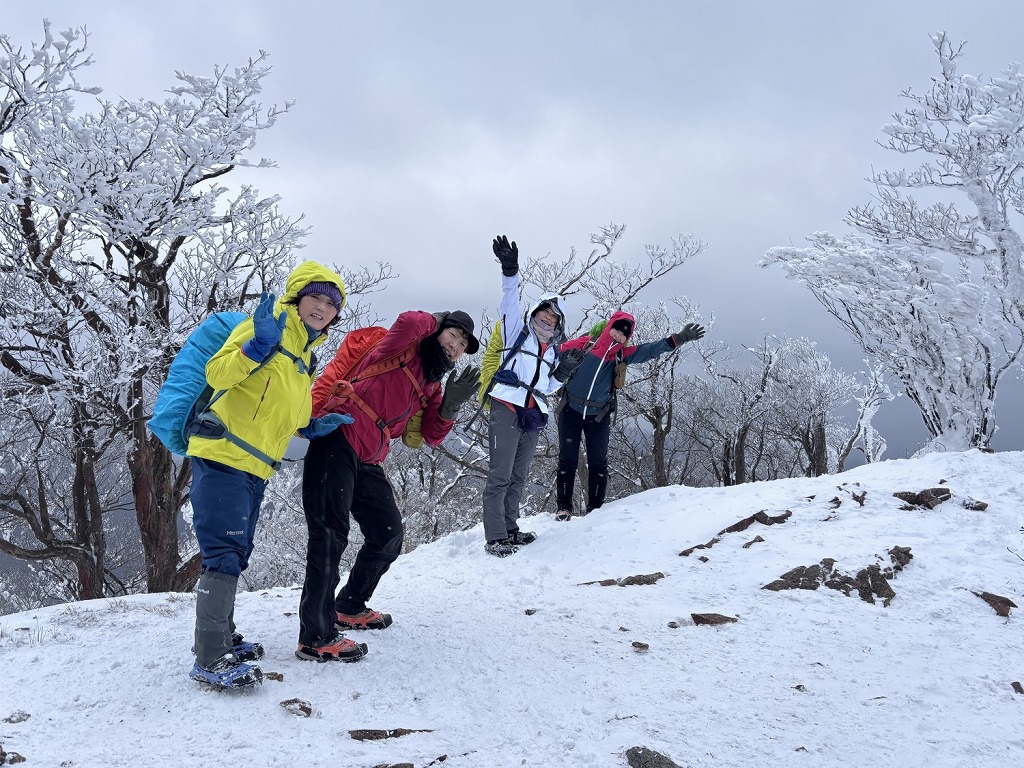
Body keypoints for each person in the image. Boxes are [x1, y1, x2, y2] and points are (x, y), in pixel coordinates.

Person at [188, 262, 349, 689]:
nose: (322, 307)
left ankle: (222, 636)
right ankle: (210, 657)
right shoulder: (269, 328)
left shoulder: (304, 356)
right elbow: (217, 374)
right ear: (298, 297)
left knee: (237, 550)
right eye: (316, 297)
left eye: (332, 303)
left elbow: (282, 409)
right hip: (223, 454)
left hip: (256, 465)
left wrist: (308, 427)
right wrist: (257, 346)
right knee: (224, 552)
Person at [297, 309, 481, 660]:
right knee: (329, 536)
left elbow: (431, 435)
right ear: (437, 331)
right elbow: (410, 321)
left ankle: (349, 604)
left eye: (461, 345)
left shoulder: (431, 384)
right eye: (453, 335)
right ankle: (315, 637)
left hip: (368, 458)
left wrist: (451, 406)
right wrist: (438, 319)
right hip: (337, 437)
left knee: (388, 534)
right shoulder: (400, 347)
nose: (455, 346)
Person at [481, 234, 585, 557]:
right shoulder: (516, 331)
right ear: (536, 312)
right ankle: (495, 536)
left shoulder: (552, 351)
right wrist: (510, 272)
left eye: (554, 318)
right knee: (500, 474)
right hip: (507, 405)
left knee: (518, 475)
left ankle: (510, 528)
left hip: (533, 413)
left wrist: (563, 371)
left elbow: (548, 387)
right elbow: (508, 302)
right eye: (545, 314)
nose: (548, 320)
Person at [554, 311, 705, 520]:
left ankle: (594, 511)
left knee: (598, 463)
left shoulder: (622, 354)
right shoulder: (586, 344)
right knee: (567, 460)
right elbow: (554, 352)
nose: (618, 336)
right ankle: (564, 508)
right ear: (609, 327)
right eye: (616, 330)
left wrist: (678, 339)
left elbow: (650, 350)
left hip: (598, 416)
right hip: (570, 410)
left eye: (624, 334)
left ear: (627, 337)